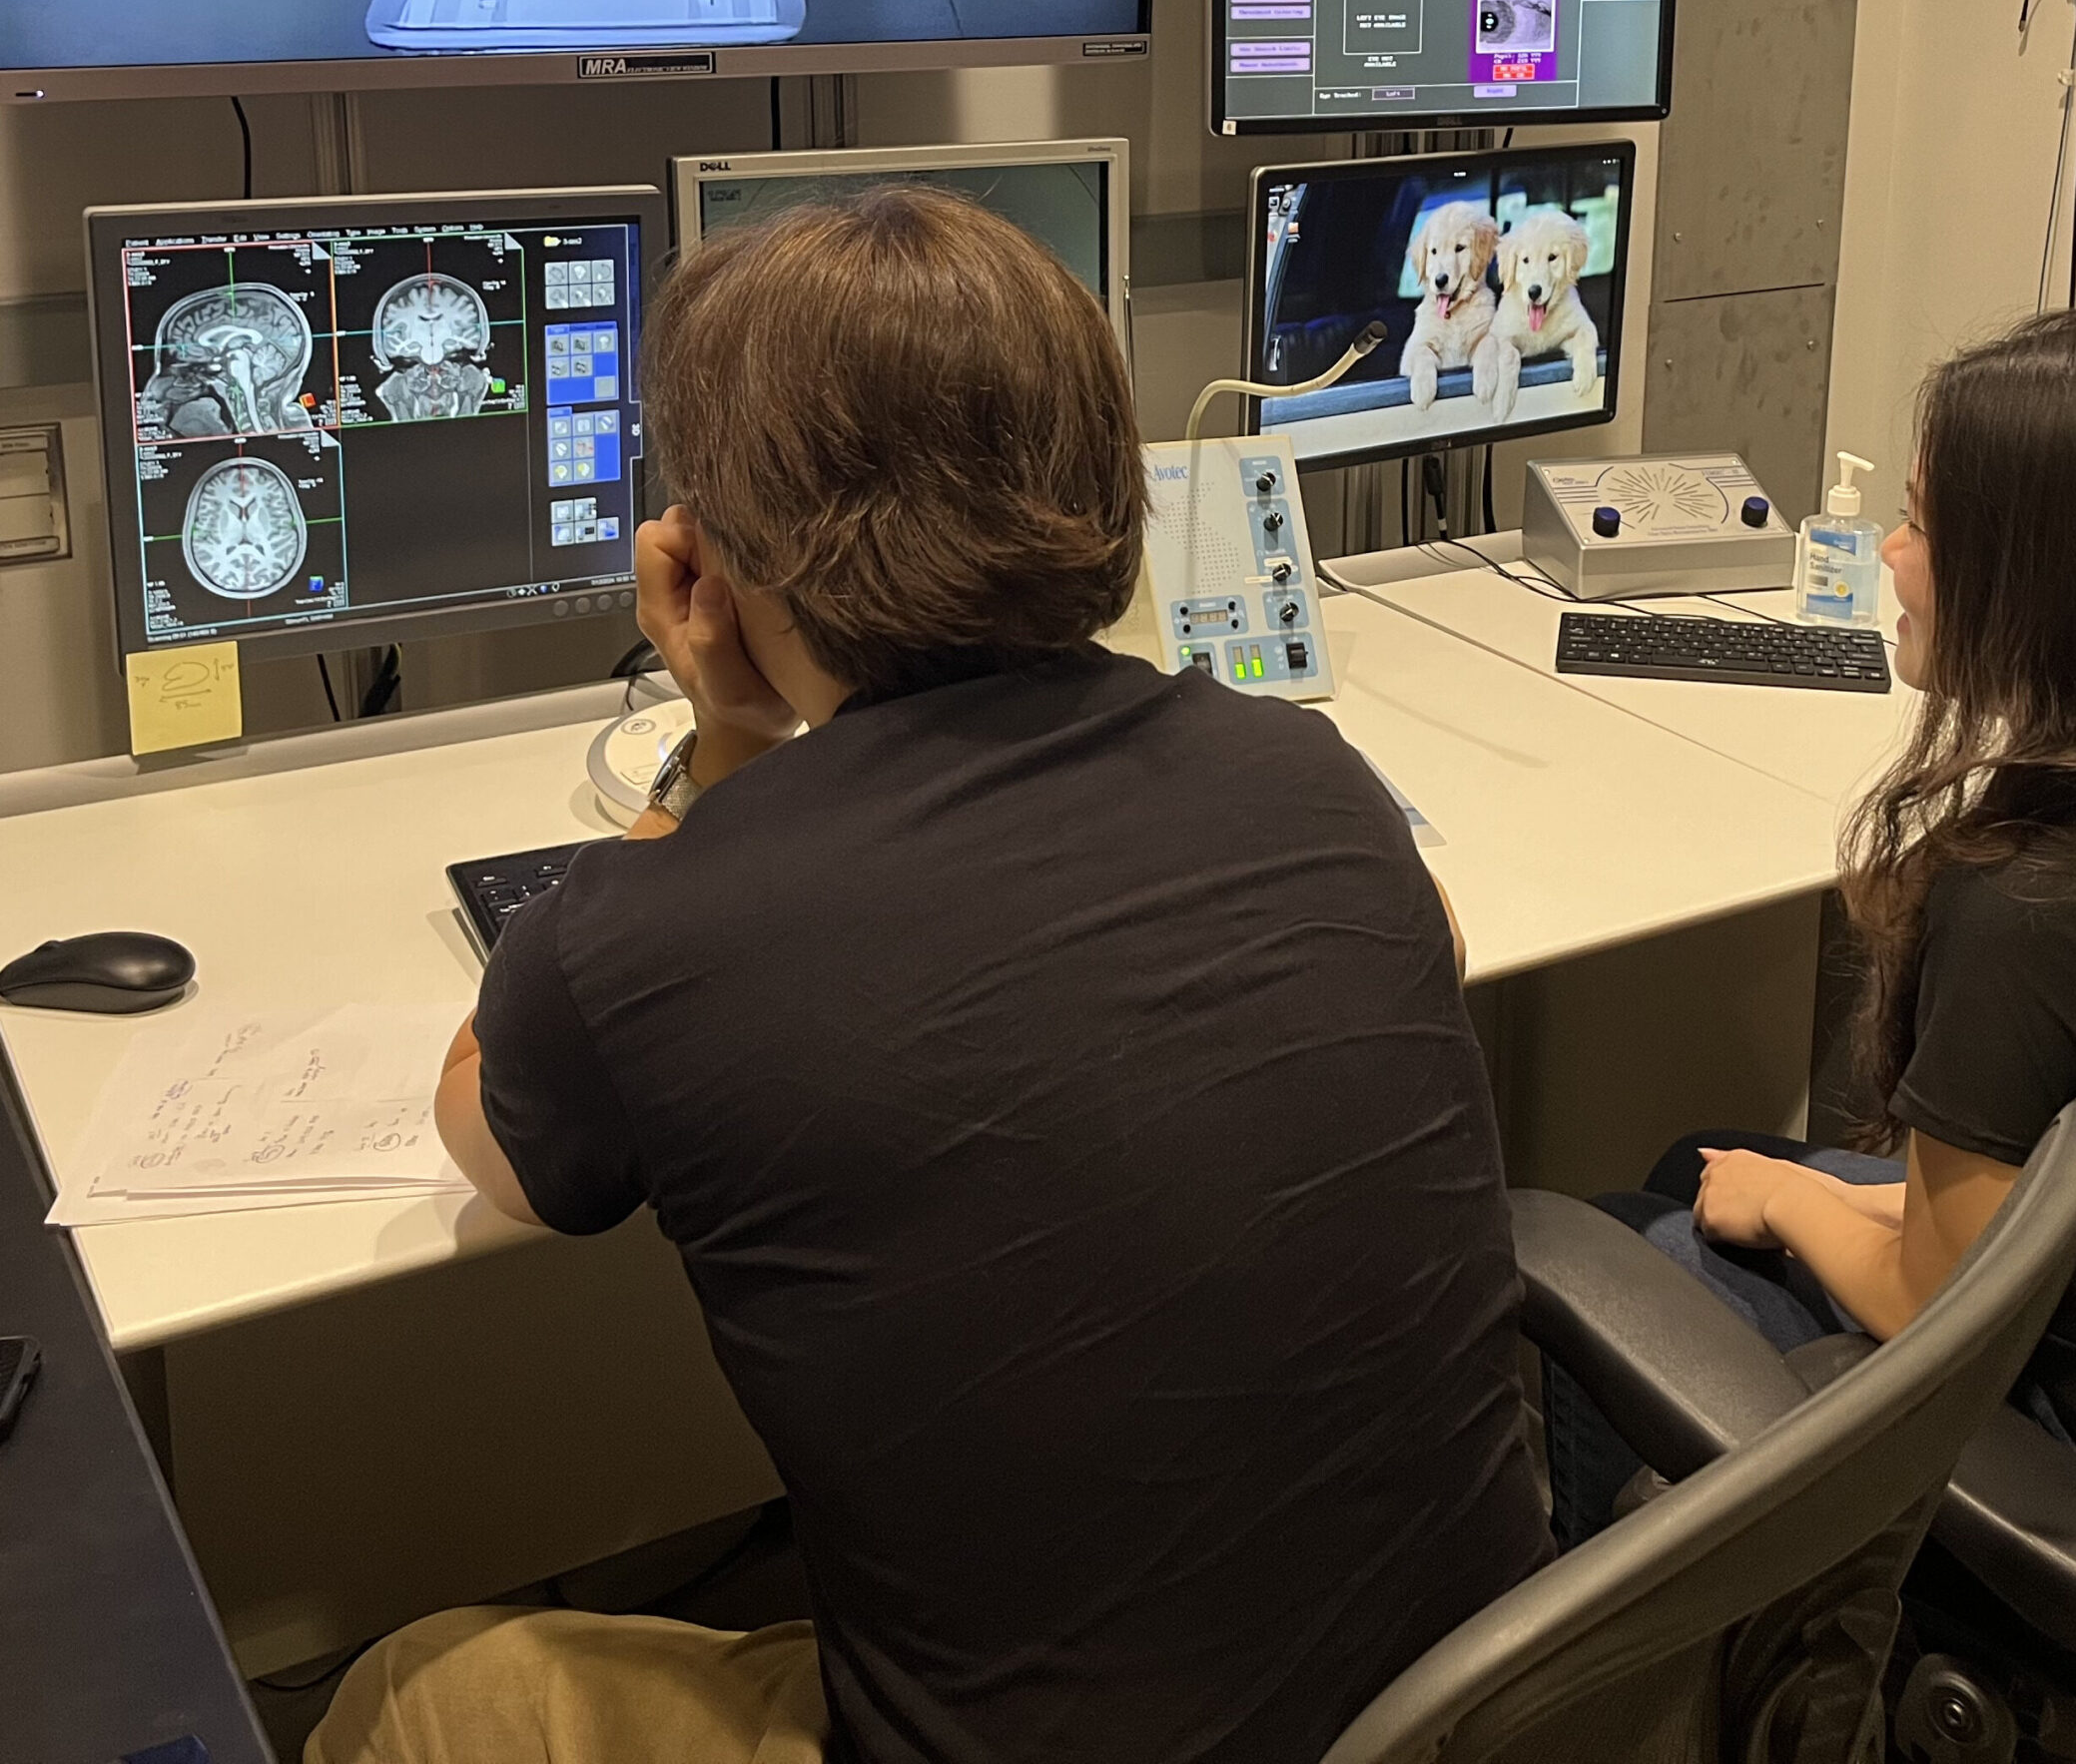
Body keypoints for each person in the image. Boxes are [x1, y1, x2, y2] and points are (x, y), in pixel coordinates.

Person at [312, 191, 1548, 1764]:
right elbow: (1425, 942)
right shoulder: (1312, 777)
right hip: (1489, 1709)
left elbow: (493, 1141)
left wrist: (724, 745)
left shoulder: (655, 933)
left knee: (411, 1689)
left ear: (714, 552)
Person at [1547, 309, 2076, 1642]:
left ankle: (1634, 1698)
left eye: (1921, 526)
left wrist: (1784, 1196)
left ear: (2044, 584)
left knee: (1621, 1253)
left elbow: (1931, 1297)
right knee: (1694, 1166)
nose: (1888, 556)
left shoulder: (2031, 906)